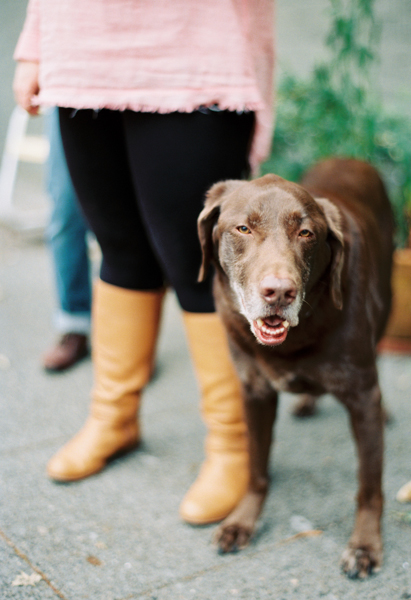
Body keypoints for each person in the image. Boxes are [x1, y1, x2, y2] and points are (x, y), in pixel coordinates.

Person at [13, 1, 275, 525]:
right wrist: (34, 44)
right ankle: (114, 417)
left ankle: (234, 447)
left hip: (190, 50)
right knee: (119, 249)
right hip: (82, 51)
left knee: (198, 265)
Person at [40, 107, 92, 373]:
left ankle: (134, 339)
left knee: (130, 220)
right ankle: (74, 324)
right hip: (71, 93)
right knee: (65, 215)